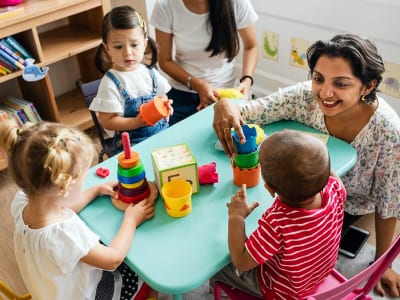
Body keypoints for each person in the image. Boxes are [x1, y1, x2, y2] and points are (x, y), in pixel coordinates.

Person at [212, 33, 400, 297]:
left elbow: (388, 202)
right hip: (312, 198)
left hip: (344, 207)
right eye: (318, 78)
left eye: (341, 84)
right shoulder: (304, 98)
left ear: (367, 86)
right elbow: (252, 109)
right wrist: (224, 104)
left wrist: (383, 263)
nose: (325, 93)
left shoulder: (389, 132)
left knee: (227, 245)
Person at [0, 120, 157, 300]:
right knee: (143, 272)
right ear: (63, 187)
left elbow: (62, 206)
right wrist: (131, 221)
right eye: (82, 180)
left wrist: (95, 190)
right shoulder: (64, 235)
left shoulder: (23, 201)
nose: (84, 185)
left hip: (50, 291)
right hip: (85, 295)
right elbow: (113, 259)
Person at [210, 129, 346, 299]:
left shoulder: (277, 223)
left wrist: (236, 217)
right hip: (318, 274)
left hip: (283, 292)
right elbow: (328, 174)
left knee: (217, 266)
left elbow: (242, 262)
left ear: (269, 188)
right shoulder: (335, 188)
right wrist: (315, 165)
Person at [150, 0, 258, 126]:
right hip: (182, 93)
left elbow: (251, 46)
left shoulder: (237, 3)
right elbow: (165, 61)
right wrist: (197, 84)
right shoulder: (166, 5)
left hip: (225, 93)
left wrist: (247, 80)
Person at [90, 5, 173, 147]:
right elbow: (106, 120)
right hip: (131, 144)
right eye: (118, 47)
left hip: (161, 133)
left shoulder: (150, 73)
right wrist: (136, 122)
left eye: (134, 44)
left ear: (144, 44)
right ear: (107, 49)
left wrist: (164, 105)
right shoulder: (110, 83)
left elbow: (162, 96)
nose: (127, 52)